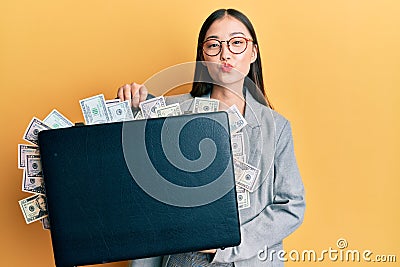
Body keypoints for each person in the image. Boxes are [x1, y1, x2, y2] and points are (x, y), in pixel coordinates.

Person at [117, 8, 305, 267]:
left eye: (237, 43)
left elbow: (291, 205)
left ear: (253, 52)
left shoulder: (277, 127)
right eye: (214, 45)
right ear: (202, 55)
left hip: (249, 258)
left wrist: (230, 244)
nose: (225, 54)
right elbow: (138, 185)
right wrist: (130, 105)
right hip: (184, 258)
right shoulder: (167, 113)